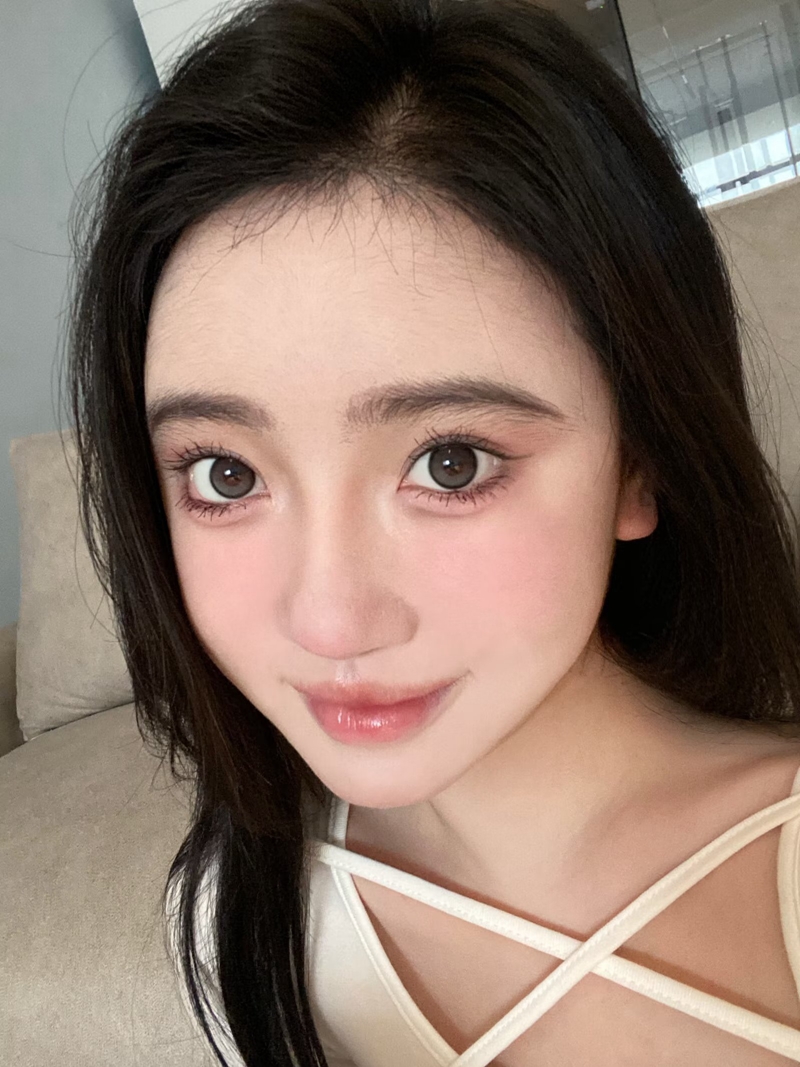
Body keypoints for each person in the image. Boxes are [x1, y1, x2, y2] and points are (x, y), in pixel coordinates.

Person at [66, 0, 800, 1062]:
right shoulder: (251, 901)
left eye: (449, 461)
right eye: (226, 473)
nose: (329, 619)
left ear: (640, 457)